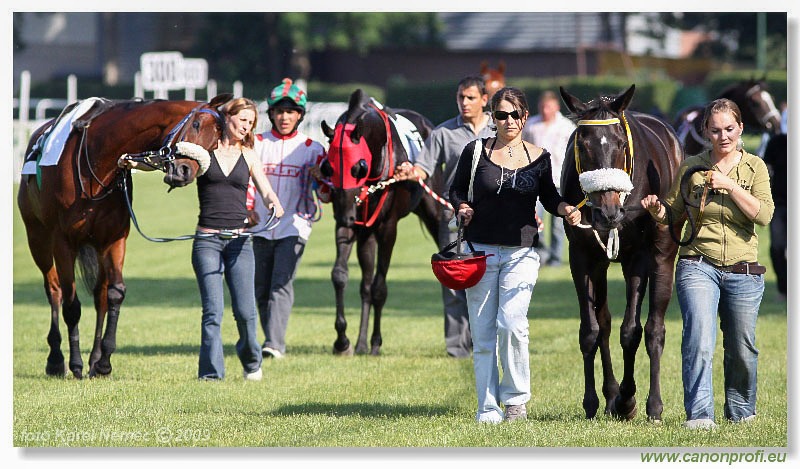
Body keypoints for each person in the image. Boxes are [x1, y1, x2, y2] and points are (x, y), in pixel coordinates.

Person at [121, 97, 285, 381]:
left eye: (250, 122)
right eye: (242, 120)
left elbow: (266, 190)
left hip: (239, 243)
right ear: (227, 118)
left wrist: (273, 203)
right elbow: (166, 161)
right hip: (207, 242)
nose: (246, 127)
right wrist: (132, 162)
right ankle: (211, 375)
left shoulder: (248, 155)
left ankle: (251, 362)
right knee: (212, 313)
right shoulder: (204, 153)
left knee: (245, 312)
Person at [448, 87, 581, 423]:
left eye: (515, 114)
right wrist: (462, 206)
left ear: (525, 116)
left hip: (521, 251)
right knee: (482, 334)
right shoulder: (475, 151)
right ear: (492, 118)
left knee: (511, 325)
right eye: (500, 115)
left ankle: (516, 401)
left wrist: (566, 209)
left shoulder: (539, 157)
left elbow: (550, 197)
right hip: (480, 251)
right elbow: (456, 189)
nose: (508, 121)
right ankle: (487, 408)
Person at [640, 98, 774, 429]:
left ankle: (741, 409)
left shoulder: (754, 167)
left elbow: (765, 215)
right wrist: (657, 210)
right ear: (705, 132)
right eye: (715, 130)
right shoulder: (691, 168)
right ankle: (700, 415)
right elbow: (673, 215)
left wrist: (729, 186)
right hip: (698, 264)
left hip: (743, 269)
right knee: (699, 341)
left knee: (742, 348)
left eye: (729, 129)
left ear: (740, 129)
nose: (723, 136)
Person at [394, 75, 496, 359]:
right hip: (454, 218)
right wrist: (409, 171)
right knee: (454, 283)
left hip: (494, 218)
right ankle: (456, 348)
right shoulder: (442, 133)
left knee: (488, 283)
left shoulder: (499, 129)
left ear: (484, 100)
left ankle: (484, 343)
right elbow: (423, 169)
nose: (464, 103)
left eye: (471, 98)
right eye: (461, 97)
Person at [249, 78, 326, 359]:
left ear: (300, 115)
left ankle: (274, 344)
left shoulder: (313, 148)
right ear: (270, 114)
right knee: (261, 287)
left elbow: (327, 196)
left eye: (291, 111)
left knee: (280, 283)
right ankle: (271, 338)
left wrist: (322, 180)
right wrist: (247, 209)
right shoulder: (255, 144)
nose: (284, 117)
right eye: (279, 111)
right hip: (258, 226)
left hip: (295, 226)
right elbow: (245, 182)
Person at [522, 90, 576, 266]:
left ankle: (555, 257)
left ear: (556, 107)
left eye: (549, 107)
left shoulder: (567, 127)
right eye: (543, 107)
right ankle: (539, 252)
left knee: (557, 223)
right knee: (533, 217)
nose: (546, 110)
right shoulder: (531, 125)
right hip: (535, 179)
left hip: (559, 178)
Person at [761, 105, 787, 301]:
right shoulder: (776, 142)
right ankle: (783, 288)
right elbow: (765, 165)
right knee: (777, 246)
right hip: (779, 202)